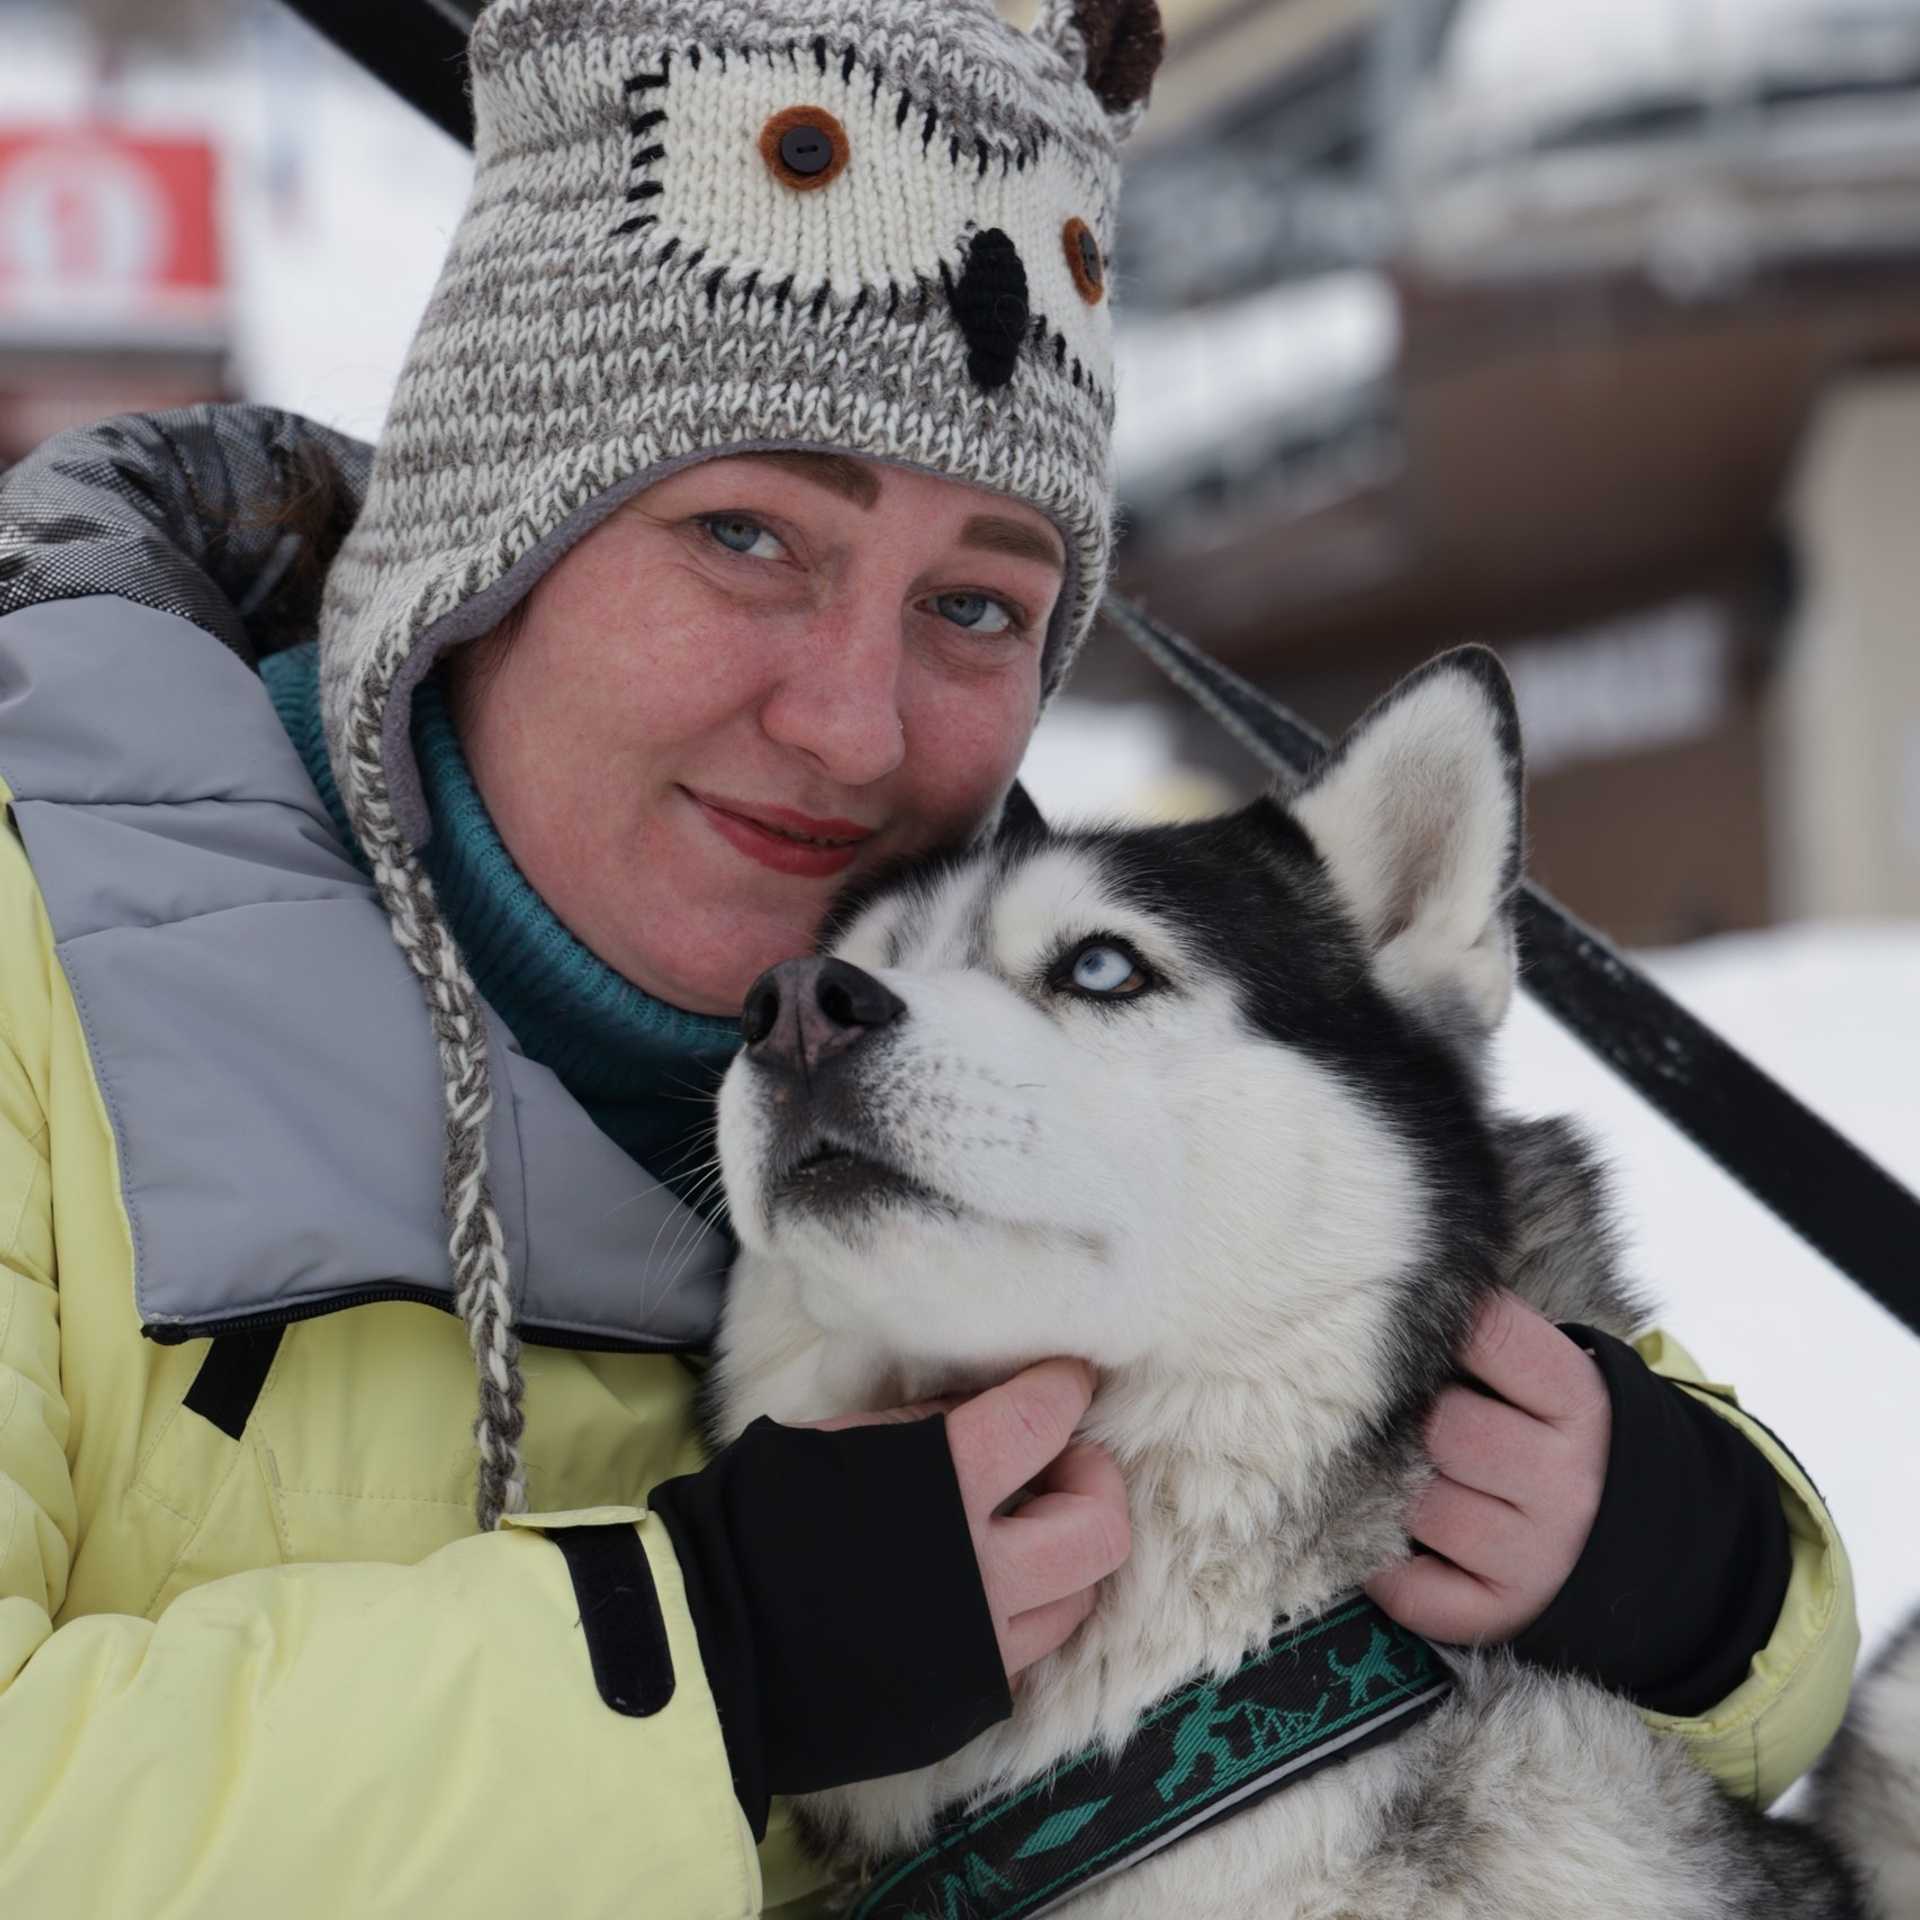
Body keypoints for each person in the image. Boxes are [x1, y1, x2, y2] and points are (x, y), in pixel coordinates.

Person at [0, 0, 1854, 1913]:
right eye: (747, 535)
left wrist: (1697, 1574)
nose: (856, 726)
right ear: (493, 537)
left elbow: (1577, 1572)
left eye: (976, 604)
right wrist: (700, 1665)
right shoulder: (44, 948)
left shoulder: (991, 1028)